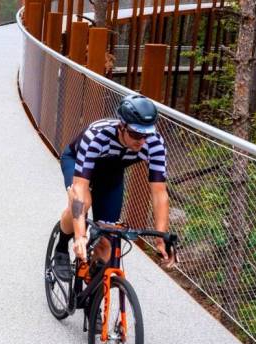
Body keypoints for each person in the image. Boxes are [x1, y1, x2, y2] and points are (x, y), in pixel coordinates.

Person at [53, 94, 173, 280]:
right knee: (81, 204)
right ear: (121, 126)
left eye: (147, 134)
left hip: (111, 173)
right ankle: (61, 248)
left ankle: (93, 294)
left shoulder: (154, 143)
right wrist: (79, 236)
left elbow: (159, 194)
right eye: (135, 134)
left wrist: (161, 237)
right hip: (77, 162)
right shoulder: (97, 136)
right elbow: (79, 189)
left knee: (108, 236)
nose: (141, 141)